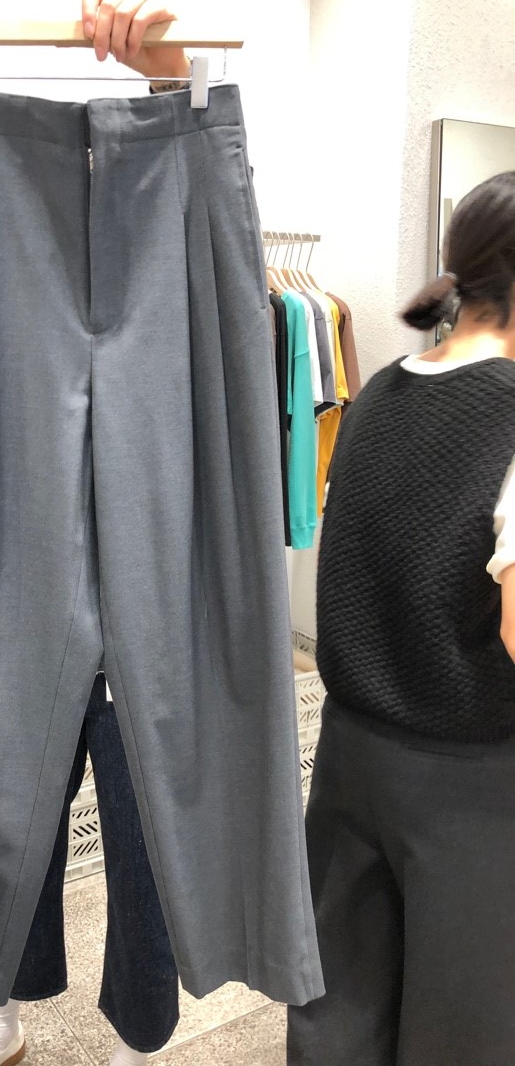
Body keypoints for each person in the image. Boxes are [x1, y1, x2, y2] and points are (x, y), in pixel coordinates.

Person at [0, 0, 192, 1066]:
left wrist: (170, 86)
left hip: (148, 591)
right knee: (10, 803)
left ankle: (141, 1032)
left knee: (144, 821)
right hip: (29, 580)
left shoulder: (173, 275)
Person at [287, 171, 515, 1066]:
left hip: (350, 758)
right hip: (471, 784)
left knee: (338, 1017)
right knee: (464, 1034)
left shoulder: (381, 390)